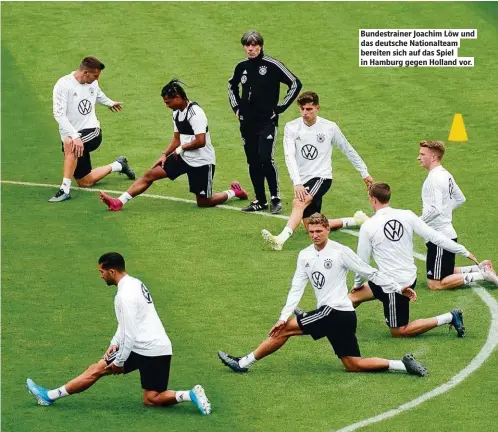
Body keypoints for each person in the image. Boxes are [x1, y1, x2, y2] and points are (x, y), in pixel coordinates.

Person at [218, 213, 427, 377]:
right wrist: (283, 315)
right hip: (338, 316)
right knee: (353, 364)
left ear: (328, 229)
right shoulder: (305, 255)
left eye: (319, 230)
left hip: (336, 312)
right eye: (311, 232)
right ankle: (402, 364)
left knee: (285, 330)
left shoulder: (340, 252)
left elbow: (369, 271)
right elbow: (296, 288)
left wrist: (398, 288)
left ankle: (242, 363)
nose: (315, 235)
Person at [26, 252, 212, 415]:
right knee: (151, 399)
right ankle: (191, 394)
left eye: (101, 272)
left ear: (111, 271)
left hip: (141, 348)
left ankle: (48, 396)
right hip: (160, 348)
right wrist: (114, 343)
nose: (100, 276)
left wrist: (119, 361)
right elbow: (127, 324)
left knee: (95, 370)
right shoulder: (136, 283)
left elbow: (129, 333)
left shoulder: (124, 296)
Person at [349, 182, 491, 338]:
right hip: (401, 277)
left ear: (373, 199)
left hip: (395, 285)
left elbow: (362, 262)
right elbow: (434, 236)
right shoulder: (407, 215)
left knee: (399, 332)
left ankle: (450, 317)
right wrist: (463, 250)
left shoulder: (369, 226)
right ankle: (339, 327)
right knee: (352, 298)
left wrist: (356, 284)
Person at [100, 79, 247, 211]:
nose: (166, 105)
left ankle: (234, 192)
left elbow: (200, 141)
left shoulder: (195, 113)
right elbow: (177, 138)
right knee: (150, 174)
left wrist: (181, 148)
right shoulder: (176, 113)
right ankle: (119, 202)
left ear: (178, 97)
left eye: (168, 102)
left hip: (202, 162)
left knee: (203, 202)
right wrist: (164, 154)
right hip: (182, 157)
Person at [261, 91, 373, 251]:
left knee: (298, 203)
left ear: (317, 108)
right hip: (303, 180)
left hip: (322, 177)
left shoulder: (329, 128)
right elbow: (289, 155)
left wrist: (364, 172)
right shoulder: (291, 127)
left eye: (309, 109)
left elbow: (348, 149)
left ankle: (280, 239)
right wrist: (297, 182)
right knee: (312, 226)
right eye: (302, 109)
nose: (305, 113)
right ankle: (356, 220)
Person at [228, 30, 302, 214]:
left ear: (260, 46)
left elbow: (295, 83)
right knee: (252, 161)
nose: (251, 48)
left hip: (266, 122)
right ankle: (260, 199)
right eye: (247, 45)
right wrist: (236, 108)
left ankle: (275, 197)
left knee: (265, 157)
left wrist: (280, 108)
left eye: (254, 45)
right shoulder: (241, 67)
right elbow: (231, 85)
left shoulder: (272, 64)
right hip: (247, 122)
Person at [50, 56, 135, 202]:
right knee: (85, 181)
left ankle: (64, 190)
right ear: (85, 72)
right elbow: (58, 114)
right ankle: (119, 165)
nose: (97, 79)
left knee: (70, 144)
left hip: (92, 131)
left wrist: (110, 103)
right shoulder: (63, 85)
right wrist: (75, 135)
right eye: (95, 76)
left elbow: (98, 94)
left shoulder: (92, 83)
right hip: (74, 135)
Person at [418, 140, 498, 288]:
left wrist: (415, 223)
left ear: (434, 157)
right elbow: (460, 199)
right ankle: (481, 267)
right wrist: (446, 212)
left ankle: (482, 274)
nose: (419, 157)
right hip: (447, 233)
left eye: (422, 154)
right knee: (446, 272)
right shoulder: (445, 174)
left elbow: (435, 210)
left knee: (435, 284)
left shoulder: (433, 178)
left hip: (439, 237)